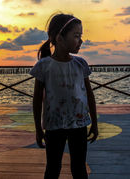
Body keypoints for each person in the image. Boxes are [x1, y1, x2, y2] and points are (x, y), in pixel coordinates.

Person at [30, 13, 98, 179]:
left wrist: (95, 123)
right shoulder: (44, 66)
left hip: (79, 124)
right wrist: (38, 128)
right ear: (59, 38)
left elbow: (89, 95)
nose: (81, 41)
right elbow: (37, 100)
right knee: (53, 168)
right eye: (76, 36)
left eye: (80, 36)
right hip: (54, 126)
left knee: (79, 168)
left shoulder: (80, 64)